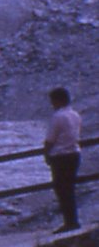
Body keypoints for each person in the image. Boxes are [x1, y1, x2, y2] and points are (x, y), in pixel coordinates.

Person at [47, 87, 82, 231]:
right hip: (74, 154)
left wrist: (46, 154)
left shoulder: (58, 117)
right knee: (69, 188)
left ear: (58, 101)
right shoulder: (75, 115)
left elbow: (50, 139)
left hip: (61, 156)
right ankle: (73, 220)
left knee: (61, 189)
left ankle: (70, 222)